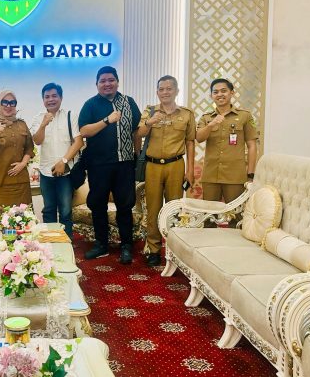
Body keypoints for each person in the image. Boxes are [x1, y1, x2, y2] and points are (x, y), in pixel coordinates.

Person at [78, 66, 141, 264]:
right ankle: (101, 244)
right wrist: (107, 120)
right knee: (98, 205)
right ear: (97, 84)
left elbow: (136, 131)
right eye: (103, 81)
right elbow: (84, 131)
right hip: (98, 166)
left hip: (124, 164)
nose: (107, 84)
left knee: (125, 206)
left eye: (111, 80)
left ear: (117, 82)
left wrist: (137, 155)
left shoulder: (129, 102)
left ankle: (126, 246)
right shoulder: (90, 105)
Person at [136, 75, 196, 266]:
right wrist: (150, 122)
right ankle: (154, 249)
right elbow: (139, 133)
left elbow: (190, 142)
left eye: (169, 89)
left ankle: (173, 249)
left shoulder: (186, 114)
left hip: (175, 165)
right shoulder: (150, 111)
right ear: (157, 92)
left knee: (174, 208)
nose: (165, 92)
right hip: (153, 166)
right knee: (153, 208)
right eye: (161, 89)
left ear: (176, 91)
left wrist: (190, 170)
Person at [30, 83, 84, 238]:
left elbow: (78, 142)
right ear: (43, 100)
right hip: (45, 172)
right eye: (47, 97)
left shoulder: (70, 116)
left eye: (54, 96)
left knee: (65, 211)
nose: (51, 99)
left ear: (61, 97)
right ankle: (51, 243)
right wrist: (43, 124)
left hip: (65, 173)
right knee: (48, 210)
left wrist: (64, 161)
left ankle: (67, 243)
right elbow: (37, 141)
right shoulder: (38, 118)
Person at [195, 78, 258, 205]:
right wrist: (211, 125)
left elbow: (252, 145)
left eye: (223, 91)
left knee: (236, 213)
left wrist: (251, 174)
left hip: (235, 176)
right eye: (215, 92)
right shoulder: (206, 117)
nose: (220, 94)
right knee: (209, 213)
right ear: (211, 96)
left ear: (232, 93)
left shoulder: (245, 116)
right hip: (211, 176)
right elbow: (199, 138)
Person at [0, 90, 34, 223]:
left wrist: (23, 164)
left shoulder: (21, 124)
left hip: (20, 181)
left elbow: (29, 147)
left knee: (23, 221)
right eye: (4, 102)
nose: (8, 105)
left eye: (12, 102)